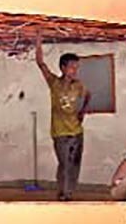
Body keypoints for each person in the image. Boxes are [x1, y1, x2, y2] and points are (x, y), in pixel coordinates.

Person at [34, 35, 91, 201]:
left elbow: (88, 95)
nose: (75, 70)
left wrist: (83, 112)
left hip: (77, 131)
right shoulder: (54, 83)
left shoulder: (78, 85)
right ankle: (62, 192)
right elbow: (40, 63)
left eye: (77, 67)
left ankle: (69, 193)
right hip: (60, 133)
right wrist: (38, 41)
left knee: (75, 164)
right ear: (63, 68)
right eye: (72, 67)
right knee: (64, 164)